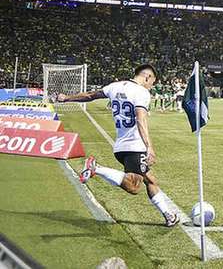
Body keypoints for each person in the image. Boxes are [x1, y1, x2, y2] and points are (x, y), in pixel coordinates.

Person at [56, 64, 180, 227]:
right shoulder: (141, 92)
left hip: (120, 146)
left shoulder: (114, 86)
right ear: (147, 77)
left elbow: (90, 95)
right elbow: (141, 119)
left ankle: (169, 215)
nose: (151, 86)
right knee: (134, 186)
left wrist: (67, 98)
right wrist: (149, 146)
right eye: (152, 82)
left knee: (151, 180)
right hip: (135, 146)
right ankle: (96, 168)